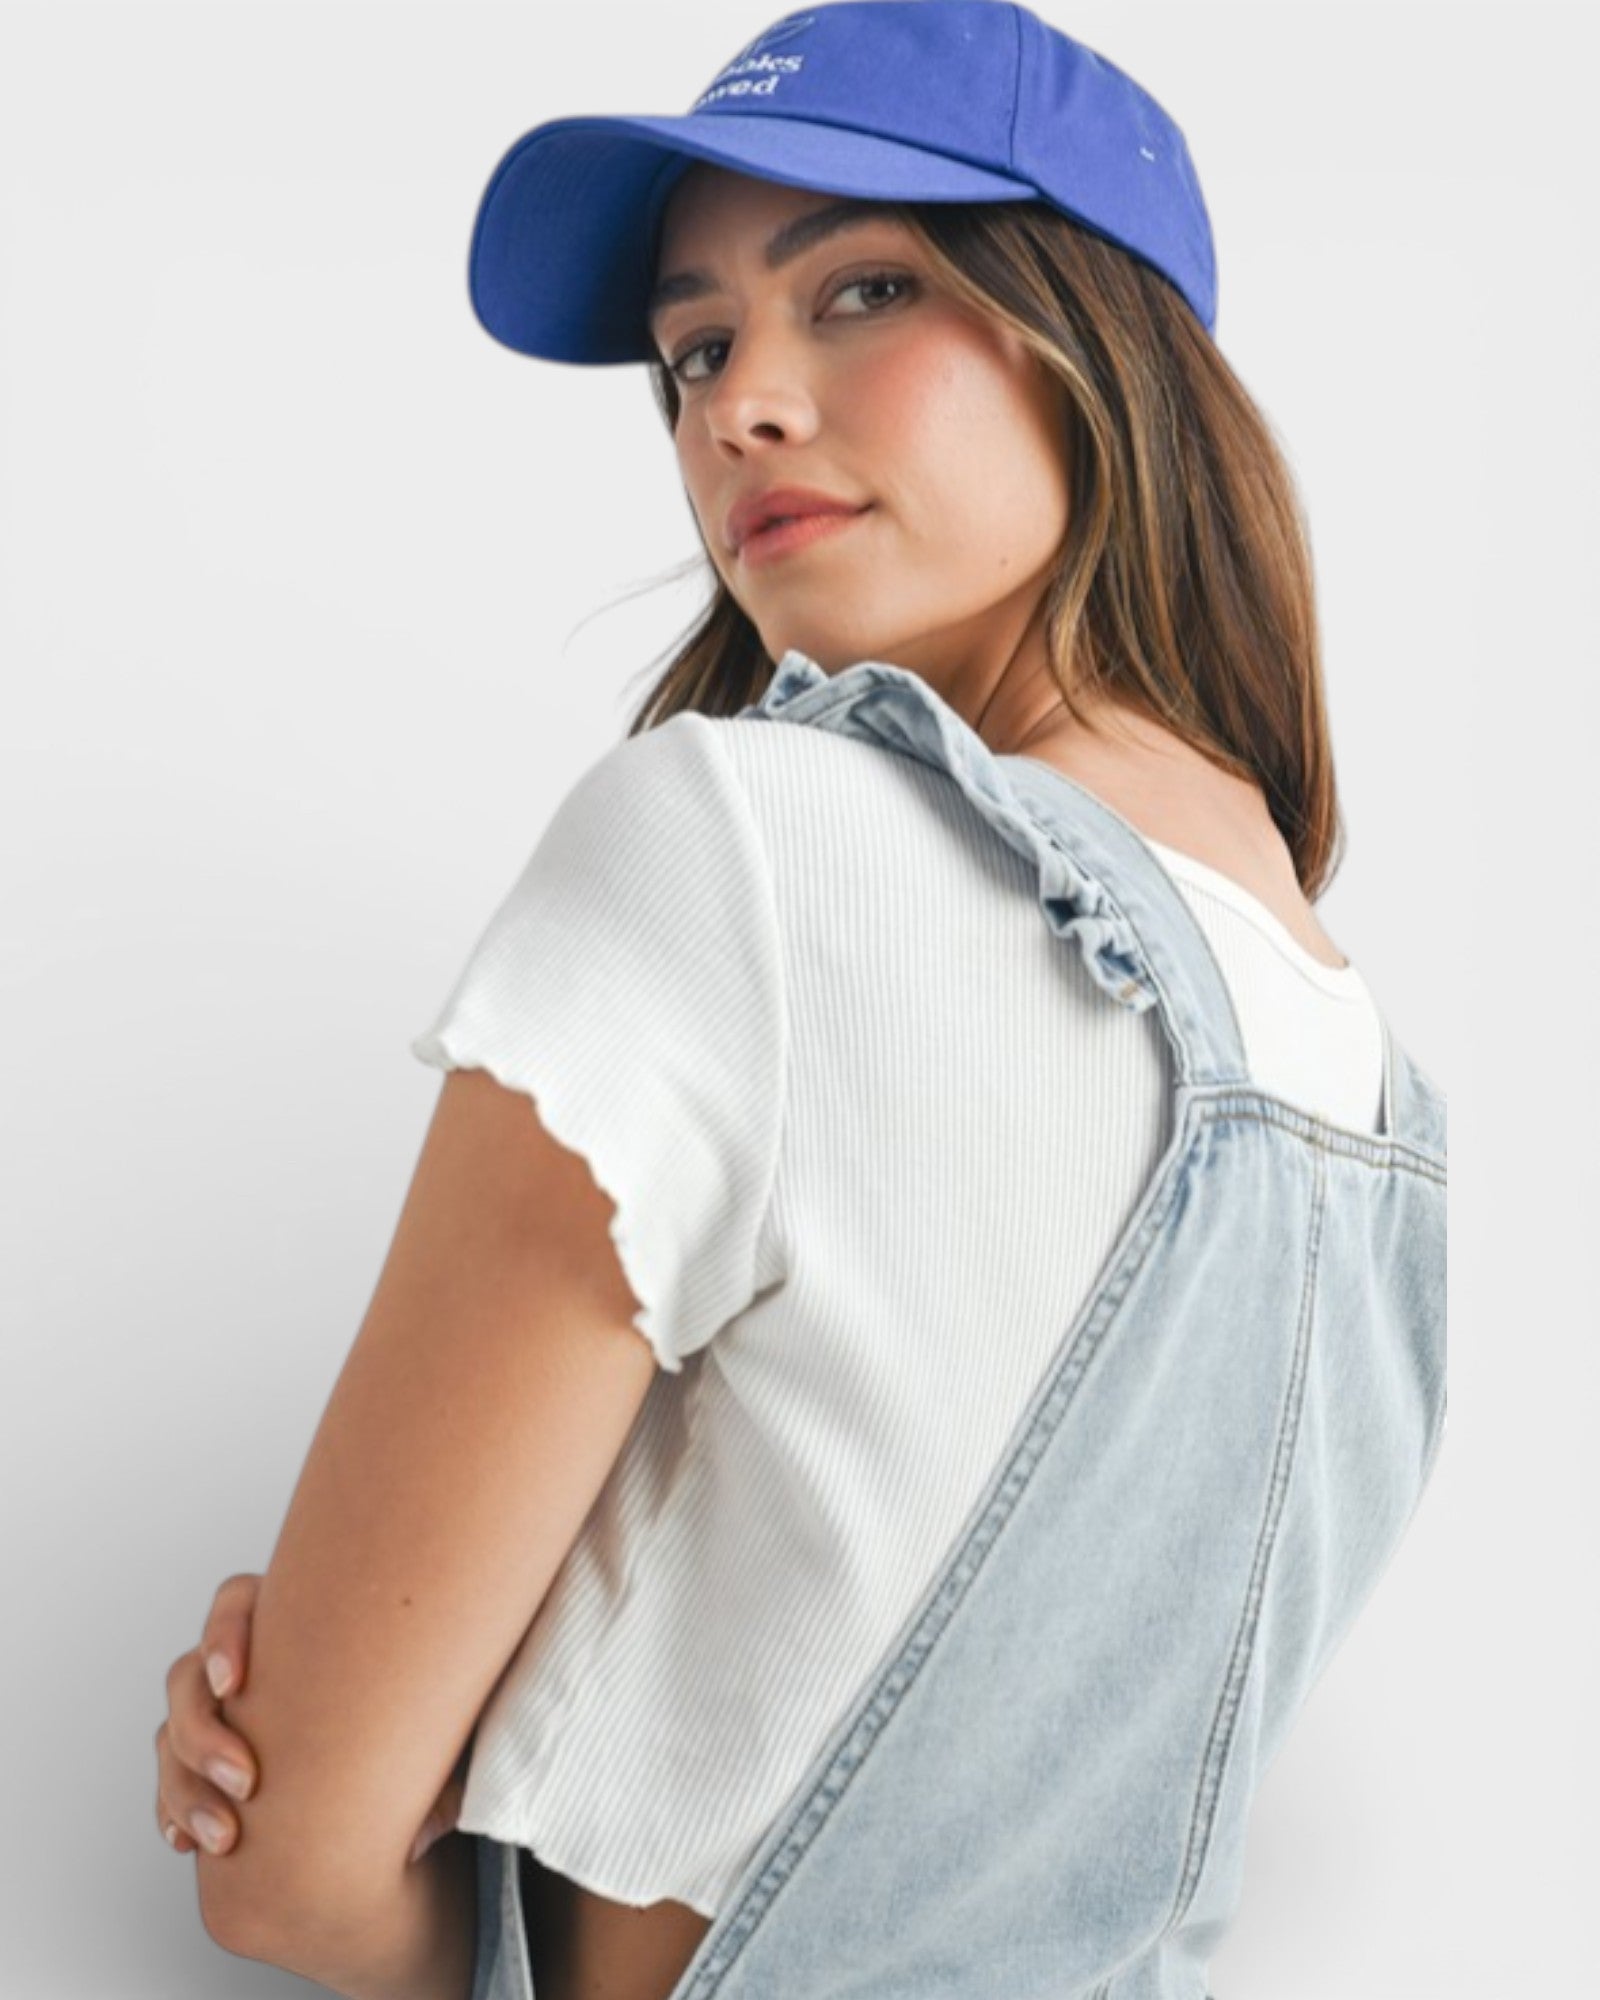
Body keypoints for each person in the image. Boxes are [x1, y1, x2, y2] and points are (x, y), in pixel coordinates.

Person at [151, 6, 1448, 1998]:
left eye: (859, 287)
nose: (740, 401)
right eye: (693, 347)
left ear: (1099, 344)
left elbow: (294, 1873)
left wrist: (327, 1798)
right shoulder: (1363, 1081)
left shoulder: (738, 848)